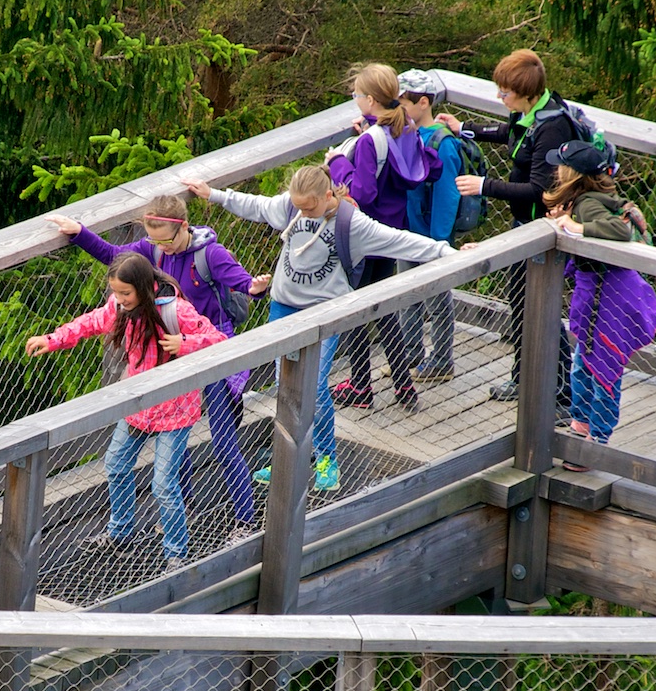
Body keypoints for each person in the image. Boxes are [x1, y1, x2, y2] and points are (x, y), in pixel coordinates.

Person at [183, 165, 455, 493]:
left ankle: (326, 458)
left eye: (309, 206)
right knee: (285, 383)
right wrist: (215, 194)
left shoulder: (350, 223)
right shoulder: (290, 207)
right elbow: (256, 206)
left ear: (328, 195)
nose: (302, 212)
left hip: (325, 313)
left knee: (314, 384)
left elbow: (397, 241)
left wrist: (443, 251)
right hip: (283, 308)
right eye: (297, 205)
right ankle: (287, 456)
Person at [50, 199, 258, 542]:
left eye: (165, 241)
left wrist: (254, 288)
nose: (158, 247)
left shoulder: (209, 255)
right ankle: (182, 508)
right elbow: (115, 257)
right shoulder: (152, 252)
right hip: (176, 360)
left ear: (184, 226)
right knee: (176, 442)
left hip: (207, 349)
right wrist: (80, 234)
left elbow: (239, 286)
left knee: (223, 441)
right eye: (153, 241)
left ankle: (244, 519)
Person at [24, 252, 224, 571]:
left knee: (163, 483)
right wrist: (53, 339)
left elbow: (218, 340)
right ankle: (121, 534)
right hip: (138, 407)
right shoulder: (119, 308)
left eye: (125, 293)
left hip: (175, 410)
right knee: (116, 465)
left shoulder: (176, 310)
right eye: (115, 293)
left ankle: (176, 552)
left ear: (143, 289)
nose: (119, 299)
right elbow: (90, 323)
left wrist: (184, 344)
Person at [440, 48, 584, 401]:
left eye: (505, 92)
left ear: (527, 93)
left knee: (540, 310)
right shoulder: (535, 112)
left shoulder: (552, 127)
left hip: (541, 232)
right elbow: (511, 133)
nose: (499, 97)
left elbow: (539, 190)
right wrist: (465, 130)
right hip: (524, 226)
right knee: (521, 304)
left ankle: (561, 391)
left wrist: (483, 186)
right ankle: (525, 378)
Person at [326, 63, 439, 412]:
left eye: (356, 95)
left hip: (364, 233)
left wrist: (336, 163)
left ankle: (361, 385)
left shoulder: (370, 141)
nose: (355, 99)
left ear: (371, 99)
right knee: (384, 306)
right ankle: (404, 386)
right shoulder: (405, 127)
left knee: (356, 306)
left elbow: (363, 191)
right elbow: (429, 168)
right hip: (393, 231)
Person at [542, 140, 656, 453]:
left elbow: (619, 231)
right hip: (601, 296)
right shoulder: (587, 200)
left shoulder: (586, 205)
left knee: (603, 369)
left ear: (572, 174)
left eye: (560, 165)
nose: (555, 169)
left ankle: (598, 442)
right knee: (583, 364)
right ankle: (582, 426)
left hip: (607, 299)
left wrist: (574, 226)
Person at [398, 69, 474, 381]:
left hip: (431, 236)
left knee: (437, 298)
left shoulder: (443, 143)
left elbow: (447, 195)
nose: (397, 110)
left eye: (402, 103)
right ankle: (412, 354)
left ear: (423, 102)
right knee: (406, 295)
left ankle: (442, 360)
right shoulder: (405, 133)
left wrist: (439, 242)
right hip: (406, 232)